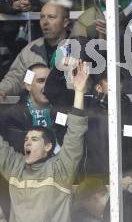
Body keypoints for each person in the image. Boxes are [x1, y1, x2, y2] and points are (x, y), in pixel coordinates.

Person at [0, 59, 89, 222]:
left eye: (34, 139)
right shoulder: (16, 167)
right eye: (26, 138)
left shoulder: (60, 169)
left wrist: (79, 91)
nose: (27, 142)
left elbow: (75, 134)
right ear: (28, 85)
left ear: (48, 146)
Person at [0, 0, 70, 96]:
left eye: (51, 17)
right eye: (42, 17)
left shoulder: (77, 49)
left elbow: (86, 84)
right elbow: (15, 78)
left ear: (65, 22)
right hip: (34, 108)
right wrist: (2, 90)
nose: (45, 22)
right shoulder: (31, 50)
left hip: (65, 108)